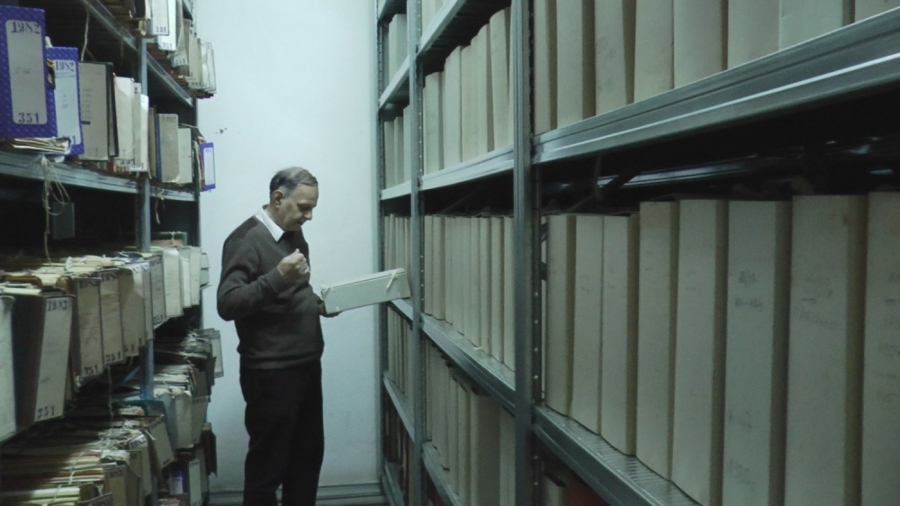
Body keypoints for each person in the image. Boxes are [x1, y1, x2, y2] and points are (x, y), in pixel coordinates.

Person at [217, 167, 335, 506]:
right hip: (271, 374)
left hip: (306, 365)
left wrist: (318, 304)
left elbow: (293, 291)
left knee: (306, 460)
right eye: (303, 207)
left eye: (312, 208)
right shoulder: (244, 240)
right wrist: (277, 278)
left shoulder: (293, 233)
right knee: (267, 469)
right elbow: (228, 303)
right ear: (278, 198)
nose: (309, 216)